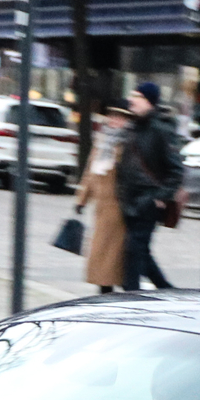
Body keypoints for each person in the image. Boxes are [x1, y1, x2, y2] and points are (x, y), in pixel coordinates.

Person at [114, 82, 182, 292]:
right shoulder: (132, 127)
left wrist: (158, 197)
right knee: (140, 252)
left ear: (150, 102)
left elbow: (176, 170)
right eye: (133, 95)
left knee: (133, 252)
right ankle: (167, 290)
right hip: (129, 202)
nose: (132, 100)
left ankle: (131, 298)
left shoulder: (161, 129)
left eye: (138, 97)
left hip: (147, 203)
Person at [73, 107, 130, 293]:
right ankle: (105, 288)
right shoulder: (102, 139)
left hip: (118, 207)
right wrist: (82, 199)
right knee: (101, 253)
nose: (114, 120)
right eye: (113, 116)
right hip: (100, 207)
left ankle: (110, 289)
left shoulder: (127, 142)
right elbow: (90, 171)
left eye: (120, 117)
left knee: (111, 255)